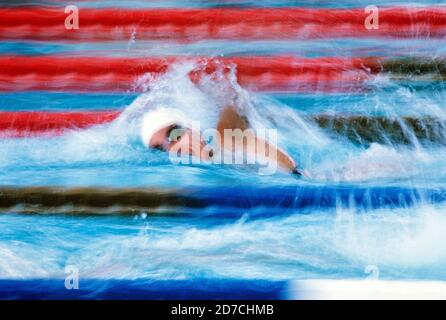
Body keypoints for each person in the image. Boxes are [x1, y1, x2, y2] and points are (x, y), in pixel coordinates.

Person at [140, 101, 303, 176]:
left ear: (191, 129)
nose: (171, 148)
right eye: (160, 149)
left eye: (174, 134)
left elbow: (291, 169)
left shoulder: (224, 140)